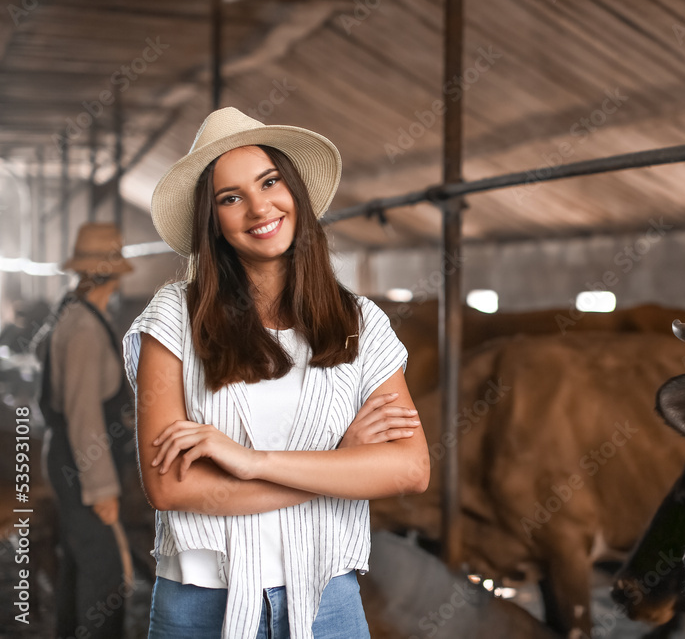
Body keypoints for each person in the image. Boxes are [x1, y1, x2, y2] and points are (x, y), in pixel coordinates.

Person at [123, 107, 430, 639]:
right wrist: (340, 467)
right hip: (201, 604)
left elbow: (409, 469)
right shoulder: (171, 319)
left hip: (328, 602)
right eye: (230, 197)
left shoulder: (361, 323)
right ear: (212, 222)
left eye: (270, 182)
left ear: (295, 192)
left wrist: (249, 463)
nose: (259, 207)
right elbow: (169, 487)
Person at [40, 222, 135, 639]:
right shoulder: (81, 327)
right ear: (113, 274)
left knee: (80, 563)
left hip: (74, 458)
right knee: (106, 573)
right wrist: (102, 491)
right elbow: (83, 414)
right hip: (81, 465)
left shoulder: (82, 313)